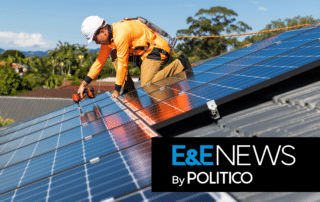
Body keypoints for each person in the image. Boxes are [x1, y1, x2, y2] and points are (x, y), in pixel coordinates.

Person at [78, 16, 192, 98]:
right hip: (143, 54)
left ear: (102, 32)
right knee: (114, 55)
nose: (96, 42)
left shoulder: (121, 34)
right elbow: (99, 62)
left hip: (156, 49)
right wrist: (84, 85)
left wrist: (116, 90)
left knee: (148, 84)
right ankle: (129, 91)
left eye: (95, 39)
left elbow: (123, 64)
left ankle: (180, 63)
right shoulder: (109, 40)